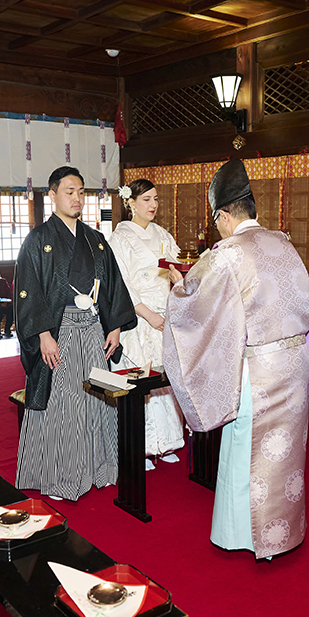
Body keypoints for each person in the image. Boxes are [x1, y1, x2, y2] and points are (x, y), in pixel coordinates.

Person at [163, 158, 309, 560]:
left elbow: (198, 309)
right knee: (287, 454)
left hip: (259, 369)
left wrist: (180, 288)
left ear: (223, 214)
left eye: (216, 220)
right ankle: (285, 532)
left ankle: (245, 537)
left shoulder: (229, 254)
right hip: (293, 362)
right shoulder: (282, 243)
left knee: (246, 450)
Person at [14, 165, 137, 501]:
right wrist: (42, 334)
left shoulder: (96, 240)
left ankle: (100, 468)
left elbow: (112, 285)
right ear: (52, 195)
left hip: (95, 328)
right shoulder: (38, 240)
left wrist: (114, 326)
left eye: (81, 192)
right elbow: (28, 290)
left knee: (99, 398)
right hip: (60, 332)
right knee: (65, 404)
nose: (77, 198)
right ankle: (62, 476)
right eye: (69, 191)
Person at [108, 178, 185, 470]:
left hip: (165, 311)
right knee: (140, 377)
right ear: (130, 203)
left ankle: (166, 443)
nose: (153, 205)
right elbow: (123, 283)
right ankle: (140, 447)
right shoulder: (120, 238)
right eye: (146, 200)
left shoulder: (162, 233)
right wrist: (148, 314)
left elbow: (175, 268)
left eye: (155, 199)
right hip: (139, 315)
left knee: (163, 378)